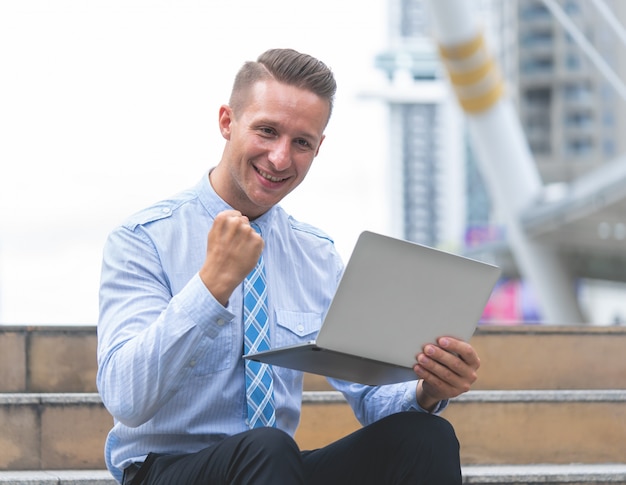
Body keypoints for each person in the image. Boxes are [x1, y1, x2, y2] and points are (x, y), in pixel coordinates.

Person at [97, 48, 481, 485]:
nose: (280, 158)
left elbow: (371, 397)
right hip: (167, 472)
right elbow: (125, 399)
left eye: (301, 142)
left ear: (318, 148)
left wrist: (428, 389)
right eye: (267, 131)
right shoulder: (144, 238)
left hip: (272, 470)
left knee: (425, 436)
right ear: (227, 122)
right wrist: (210, 287)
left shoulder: (315, 255)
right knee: (268, 446)